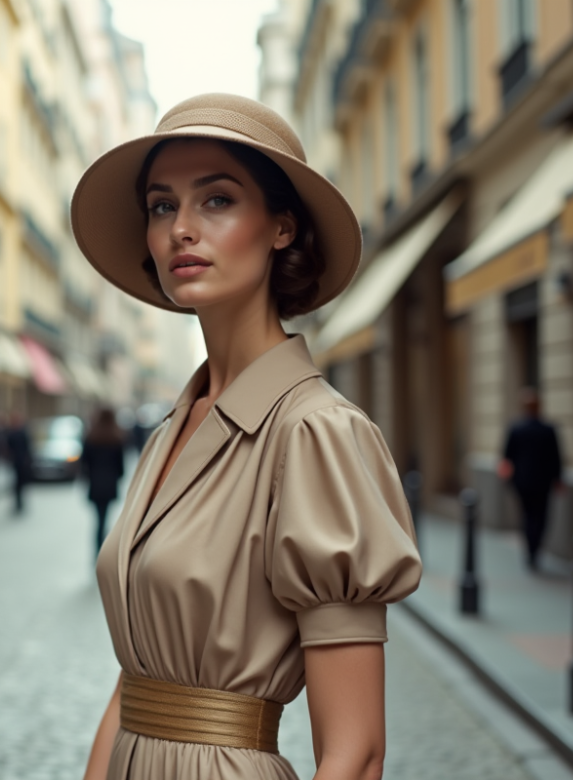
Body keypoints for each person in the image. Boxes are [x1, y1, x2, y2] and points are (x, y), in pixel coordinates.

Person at [72, 94, 421, 780]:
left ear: (281, 228)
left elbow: (357, 753)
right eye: (162, 205)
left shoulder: (316, 434)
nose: (181, 229)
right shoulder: (170, 429)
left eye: (218, 201)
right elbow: (132, 685)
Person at [499, 387, 564, 571]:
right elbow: (556, 457)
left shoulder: (517, 428)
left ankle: (531, 551)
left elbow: (506, 456)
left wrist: (507, 479)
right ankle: (534, 550)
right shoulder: (547, 429)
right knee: (541, 517)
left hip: (524, 482)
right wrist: (558, 479)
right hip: (542, 482)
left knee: (528, 516)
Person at [81, 407, 127, 556]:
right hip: (109, 484)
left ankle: (98, 550)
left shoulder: (91, 437)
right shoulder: (116, 438)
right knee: (104, 518)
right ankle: (103, 550)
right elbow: (121, 468)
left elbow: (84, 464)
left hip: (95, 484)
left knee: (98, 520)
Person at [3, 411, 33, 515]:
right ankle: (17, 502)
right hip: (14, 462)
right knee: (15, 483)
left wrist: (28, 460)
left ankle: (21, 501)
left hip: (23, 462)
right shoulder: (10, 433)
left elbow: (28, 447)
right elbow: (7, 447)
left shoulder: (23, 432)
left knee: (22, 483)